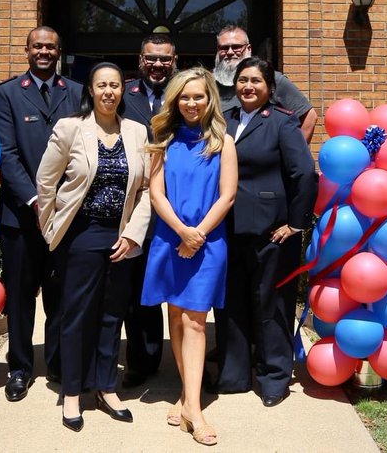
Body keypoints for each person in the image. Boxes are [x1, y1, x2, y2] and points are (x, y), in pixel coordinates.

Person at [36, 62, 152, 432]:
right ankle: (73, 391)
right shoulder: (70, 128)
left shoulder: (136, 131)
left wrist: (134, 233)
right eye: (101, 85)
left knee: (111, 314)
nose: (108, 92)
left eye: (115, 85)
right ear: (90, 89)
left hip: (121, 236)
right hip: (81, 236)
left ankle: (105, 386)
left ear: (122, 90)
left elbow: (148, 188)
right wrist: (51, 230)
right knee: (77, 315)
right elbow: (46, 182)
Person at [141, 67, 237, 447]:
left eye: (198, 96)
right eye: (185, 96)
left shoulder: (223, 143)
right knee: (176, 317)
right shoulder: (162, 141)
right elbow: (155, 193)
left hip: (209, 241)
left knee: (197, 321)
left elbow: (227, 196)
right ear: (175, 100)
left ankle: (193, 410)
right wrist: (182, 231)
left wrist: (197, 235)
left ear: (209, 98)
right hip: (170, 237)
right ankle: (186, 395)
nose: (192, 103)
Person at [213, 57, 317, 407]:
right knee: (232, 303)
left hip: (273, 231)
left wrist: (296, 223)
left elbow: (303, 173)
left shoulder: (282, 122)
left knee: (270, 303)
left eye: (256, 80)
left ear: (269, 87)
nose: (248, 87)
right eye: (243, 80)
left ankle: (274, 376)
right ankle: (234, 374)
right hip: (228, 229)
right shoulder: (222, 121)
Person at [0, 26, 83, 402]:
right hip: (22, 216)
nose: (44, 51)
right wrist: (34, 198)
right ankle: (20, 368)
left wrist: (64, 200)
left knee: (61, 296)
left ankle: (59, 363)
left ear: (59, 51)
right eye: (37, 46)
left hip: (66, 215)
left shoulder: (77, 92)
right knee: (21, 296)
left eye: (50, 46)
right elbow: (6, 153)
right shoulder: (8, 93)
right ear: (27, 50)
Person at [118, 32, 175, 388]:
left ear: (174, 60)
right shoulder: (124, 94)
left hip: (179, 203)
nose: (157, 65)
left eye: (164, 59)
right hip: (136, 206)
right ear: (140, 59)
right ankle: (141, 360)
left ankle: (189, 358)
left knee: (180, 288)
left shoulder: (186, 93)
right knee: (137, 291)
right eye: (151, 58)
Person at [212, 25, 318, 143]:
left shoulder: (272, 79)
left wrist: (295, 152)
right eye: (224, 48)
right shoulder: (208, 84)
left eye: (236, 47)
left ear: (248, 49)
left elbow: (309, 116)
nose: (230, 52)